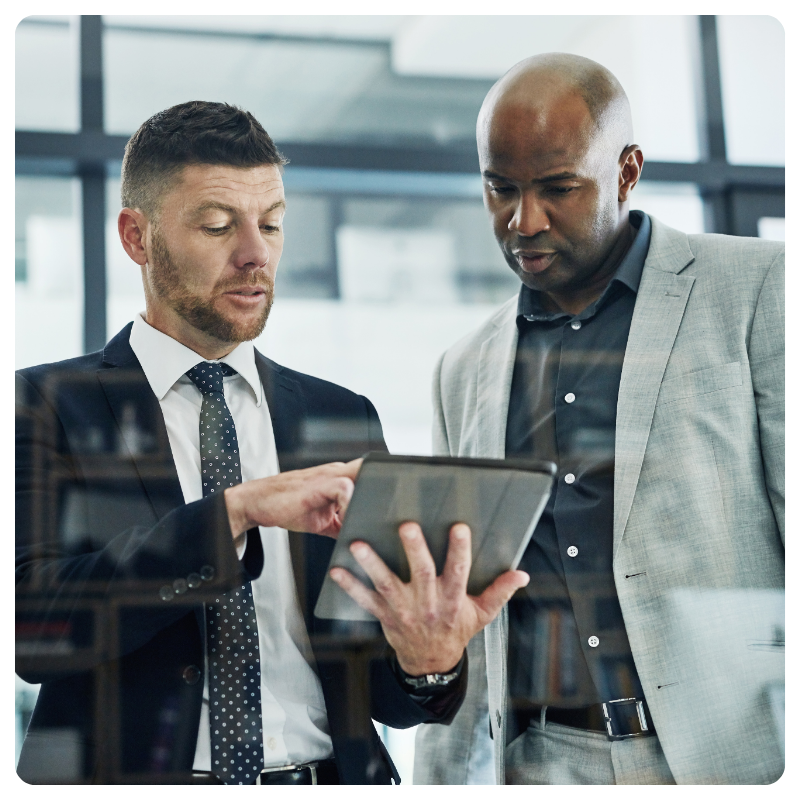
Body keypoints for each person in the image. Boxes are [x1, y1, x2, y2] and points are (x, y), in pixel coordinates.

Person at [14, 101, 525, 785]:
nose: (255, 253)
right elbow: (35, 630)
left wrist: (425, 658)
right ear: (137, 238)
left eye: (273, 223)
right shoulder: (45, 406)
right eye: (218, 225)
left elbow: (379, 690)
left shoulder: (340, 417)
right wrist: (233, 513)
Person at [409, 54, 785, 785]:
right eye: (500, 189)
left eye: (558, 188)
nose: (524, 221)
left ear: (626, 171)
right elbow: (465, 605)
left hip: (732, 756)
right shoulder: (462, 370)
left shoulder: (758, 291)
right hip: (538, 759)